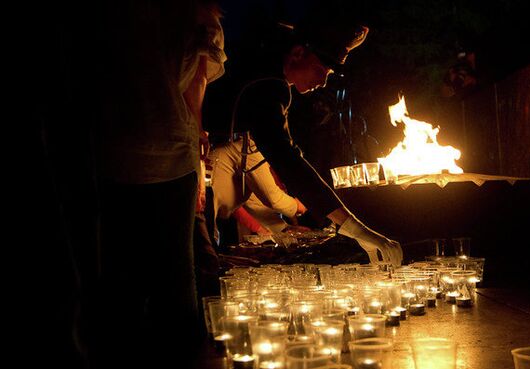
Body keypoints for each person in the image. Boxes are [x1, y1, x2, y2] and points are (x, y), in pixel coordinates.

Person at [82, 1, 227, 368]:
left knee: (119, 273)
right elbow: (194, 87)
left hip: (109, 150)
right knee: (176, 273)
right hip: (170, 151)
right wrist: (197, 149)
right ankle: (183, 357)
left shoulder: (112, 13)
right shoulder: (196, 16)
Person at [227, 13, 403, 265]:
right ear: (298, 53)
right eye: (321, 70)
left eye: (329, 74)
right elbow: (288, 159)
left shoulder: (266, 75)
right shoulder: (268, 85)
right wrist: (354, 227)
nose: (323, 81)